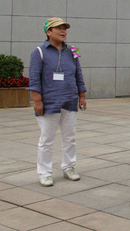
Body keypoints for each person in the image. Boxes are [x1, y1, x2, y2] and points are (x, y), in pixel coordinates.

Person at [28, 17, 87, 187]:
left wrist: (82, 95)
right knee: (47, 139)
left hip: (69, 100)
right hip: (49, 102)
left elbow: (78, 74)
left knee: (70, 137)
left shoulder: (72, 51)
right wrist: (37, 100)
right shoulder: (39, 52)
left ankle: (69, 166)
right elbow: (34, 77)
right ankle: (45, 172)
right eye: (58, 28)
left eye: (64, 28)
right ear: (48, 32)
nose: (63, 31)